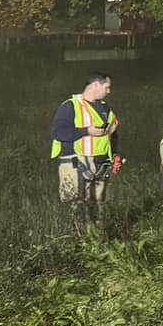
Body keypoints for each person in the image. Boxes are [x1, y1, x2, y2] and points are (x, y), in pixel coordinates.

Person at [50, 73, 120, 221]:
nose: (109, 92)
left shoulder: (105, 108)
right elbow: (58, 132)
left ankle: (97, 239)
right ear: (95, 85)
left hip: (100, 164)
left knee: (98, 204)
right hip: (75, 162)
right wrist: (86, 131)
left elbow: (113, 132)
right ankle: (77, 238)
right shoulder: (70, 106)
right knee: (76, 204)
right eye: (106, 87)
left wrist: (115, 155)